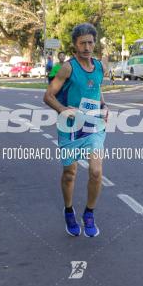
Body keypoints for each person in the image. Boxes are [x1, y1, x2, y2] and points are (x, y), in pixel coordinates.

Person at [44, 23, 108, 238]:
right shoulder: (68, 68)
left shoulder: (99, 66)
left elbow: (97, 91)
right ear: (75, 45)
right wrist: (63, 110)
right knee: (70, 173)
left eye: (90, 42)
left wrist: (104, 106)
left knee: (96, 172)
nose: (87, 47)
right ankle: (69, 210)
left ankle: (89, 213)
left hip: (93, 126)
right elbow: (48, 96)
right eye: (82, 43)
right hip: (70, 127)